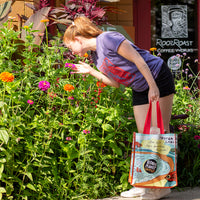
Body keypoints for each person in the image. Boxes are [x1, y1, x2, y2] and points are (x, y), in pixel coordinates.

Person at [63, 16, 175, 200]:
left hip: (157, 77)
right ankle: (143, 184)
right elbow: (115, 83)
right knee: (143, 135)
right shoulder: (95, 56)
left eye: (69, 46)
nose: (70, 50)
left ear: (78, 39)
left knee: (158, 131)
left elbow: (139, 60)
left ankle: (161, 187)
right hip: (139, 87)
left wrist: (153, 86)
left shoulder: (108, 39)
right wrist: (92, 72)